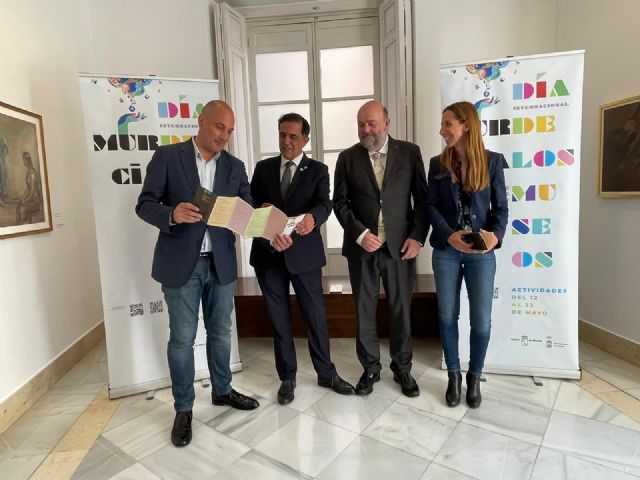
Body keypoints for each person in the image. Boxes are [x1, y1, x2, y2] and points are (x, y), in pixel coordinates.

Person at [136, 100, 259, 448]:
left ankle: (222, 390)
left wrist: (255, 216)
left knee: (221, 331)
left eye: (230, 131)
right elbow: (144, 204)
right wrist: (171, 214)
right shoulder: (167, 157)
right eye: (220, 127)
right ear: (201, 121)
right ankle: (184, 409)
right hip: (181, 264)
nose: (224, 136)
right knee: (182, 339)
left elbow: (247, 208)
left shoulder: (235, 166)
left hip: (221, 262)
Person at [249, 113, 355, 405]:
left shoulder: (318, 169)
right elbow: (251, 206)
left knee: (315, 317)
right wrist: (262, 214)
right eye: (282, 135)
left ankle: (326, 373)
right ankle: (287, 377)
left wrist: (313, 217)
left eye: (293, 136)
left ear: (305, 139)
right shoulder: (263, 168)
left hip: (304, 256)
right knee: (279, 319)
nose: (286, 141)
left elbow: (325, 203)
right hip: (268, 255)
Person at [333, 100, 429, 397]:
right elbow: (340, 203)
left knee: (401, 310)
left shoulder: (410, 153)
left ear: (386, 123)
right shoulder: (347, 158)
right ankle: (370, 368)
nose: (366, 130)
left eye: (371, 123)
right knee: (364, 310)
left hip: (400, 248)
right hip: (362, 249)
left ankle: (402, 368)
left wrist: (417, 237)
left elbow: (422, 200)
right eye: (361, 124)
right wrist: (360, 234)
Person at [426, 101, 508, 409]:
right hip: (446, 251)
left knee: (481, 321)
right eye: (442, 124)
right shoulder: (437, 164)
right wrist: (449, 234)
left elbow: (500, 209)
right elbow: (430, 205)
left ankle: (474, 377)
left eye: (448, 124)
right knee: (447, 316)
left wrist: (494, 236)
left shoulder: (493, 162)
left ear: (467, 126)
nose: (442, 130)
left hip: (480, 254)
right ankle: (453, 376)